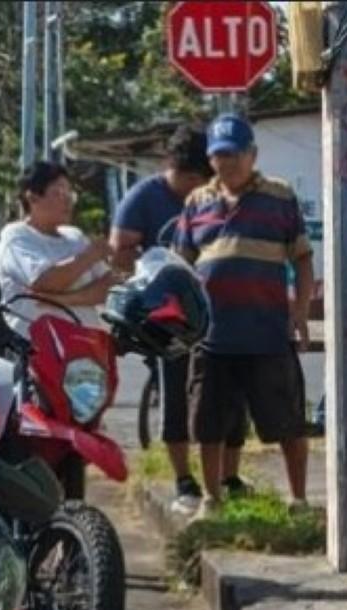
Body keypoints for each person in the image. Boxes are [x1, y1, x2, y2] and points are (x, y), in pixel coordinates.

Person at [173, 114, 313, 515]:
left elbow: (302, 257)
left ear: (252, 154)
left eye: (234, 154)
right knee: (208, 424)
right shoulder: (196, 202)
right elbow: (180, 267)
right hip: (212, 336)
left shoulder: (280, 197)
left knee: (287, 421)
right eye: (219, 155)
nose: (227, 163)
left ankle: (299, 500)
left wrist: (300, 310)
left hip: (267, 333)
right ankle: (212, 500)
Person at [109, 124, 246, 513]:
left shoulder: (220, 197)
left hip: (220, 313)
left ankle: (228, 478)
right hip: (169, 316)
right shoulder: (144, 197)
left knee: (228, 397)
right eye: (192, 179)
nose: (197, 187)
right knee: (175, 396)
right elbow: (119, 251)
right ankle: (184, 479)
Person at [0, 161, 118, 338]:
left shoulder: (75, 236)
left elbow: (109, 286)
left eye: (70, 193)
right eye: (58, 193)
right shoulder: (16, 236)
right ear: (33, 198)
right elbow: (44, 281)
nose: (68, 200)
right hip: (37, 346)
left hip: (84, 344)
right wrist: (89, 256)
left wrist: (64, 300)